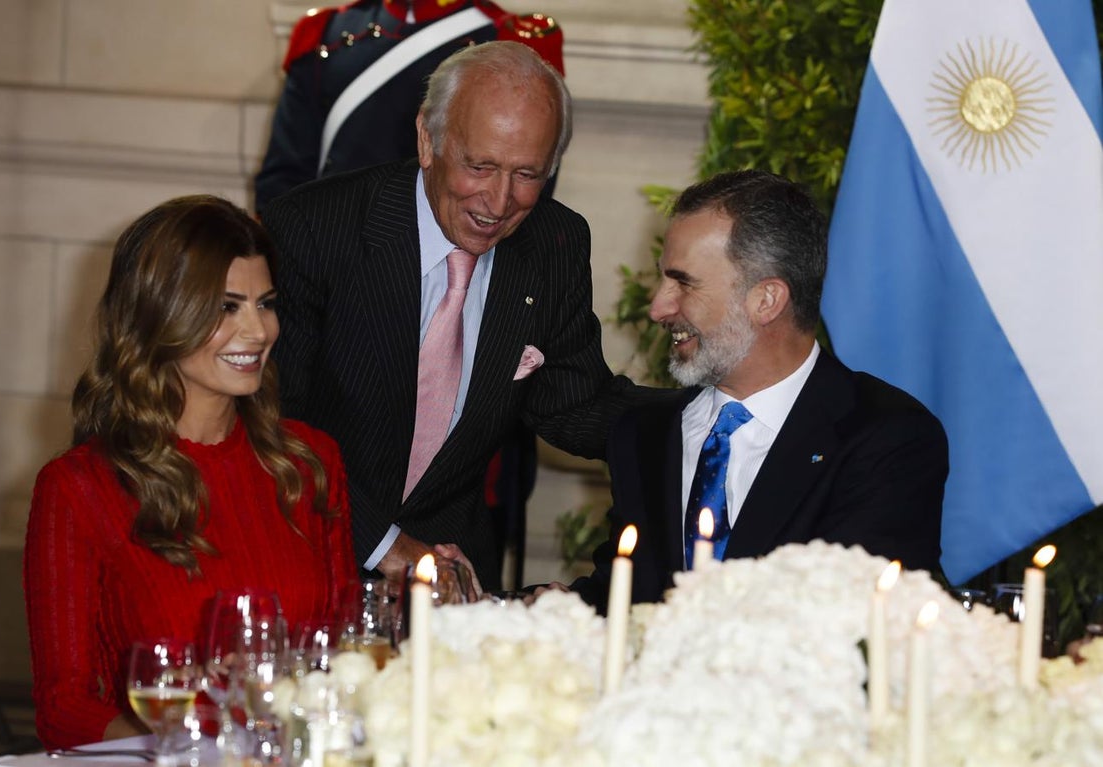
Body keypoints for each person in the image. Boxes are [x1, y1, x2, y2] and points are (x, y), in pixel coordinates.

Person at [261, 41, 665, 591]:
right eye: (480, 166)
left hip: (456, 583)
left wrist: (713, 416)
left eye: (528, 174)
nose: (498, 203)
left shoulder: (554, 242)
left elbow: (574, 403)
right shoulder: (314, 230)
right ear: (429, 139)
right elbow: (277, 427)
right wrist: (389, 547)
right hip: (306, 559)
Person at [23, 196, 359, 749]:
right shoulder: (79, 488)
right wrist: (191, 743)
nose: (257, 331)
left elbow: (344, 658)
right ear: (160, 314)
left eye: (265, 303)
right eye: (226, 307)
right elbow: (64, 708)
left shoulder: (309, 463)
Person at [570, 170, 949, 612]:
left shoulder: (887, 440)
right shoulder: (641, 435)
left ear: (767, 300)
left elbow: (865, 624)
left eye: (683, 283)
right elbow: (617, 599)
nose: (658, 307)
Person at [255, 0, 563, 213]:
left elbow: (526, 192)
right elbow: (283, 179)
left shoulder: (506, 39)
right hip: (326, 257)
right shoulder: (325, 33)